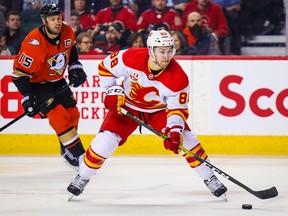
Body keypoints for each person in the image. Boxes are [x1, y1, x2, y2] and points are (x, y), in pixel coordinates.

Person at [67, 29, 227, 199]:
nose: (166, 56)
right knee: (105, 142)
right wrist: (112, 90)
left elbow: (176, 110)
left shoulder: (179, 78)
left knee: (187, 140)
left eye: (169, 51)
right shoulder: (130, 57)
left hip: (158, 111)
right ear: (151, 50)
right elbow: (105, 67)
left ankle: (210, 178)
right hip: (128, 106)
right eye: (162, 51)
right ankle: (82, 176)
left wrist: (174, 131)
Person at [11, 3, 87, 170]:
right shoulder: (34, 44)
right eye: (53, 19)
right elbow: (18, 76)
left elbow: (70, 47)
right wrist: (27, 97)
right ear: (44, 21)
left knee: (73, 113)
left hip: (56, 79)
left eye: (58, 18)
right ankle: (80, 156)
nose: (57, 22)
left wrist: (75, 66)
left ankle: (67, 151)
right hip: (36, 83)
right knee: (58, 115)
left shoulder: (67, 30)